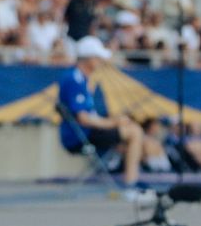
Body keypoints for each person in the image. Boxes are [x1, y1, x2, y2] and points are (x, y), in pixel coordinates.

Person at [55, 36, 151, 202]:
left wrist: (114, 121)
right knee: (134, 132)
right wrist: (113, 123)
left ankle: (129, 177)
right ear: (89, 58)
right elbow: (84, 118)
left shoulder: (82, 79)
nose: (100, 61)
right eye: (98, 58)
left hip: (87, 131)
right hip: (80, 135)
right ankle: (131, 185)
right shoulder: (74, 79)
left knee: (129, 132)